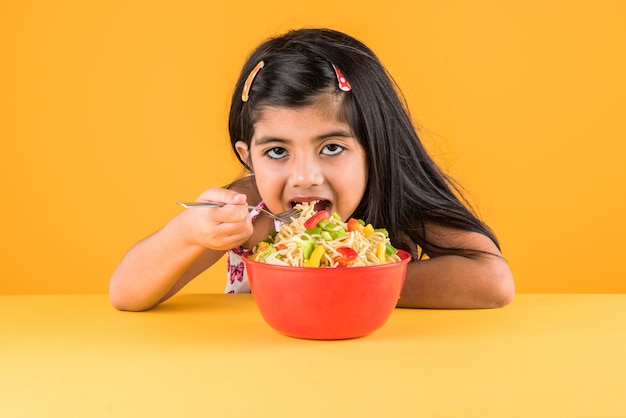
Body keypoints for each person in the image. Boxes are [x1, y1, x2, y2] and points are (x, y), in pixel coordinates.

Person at [109, 28, 515, 311]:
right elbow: (126, 294)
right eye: (277, 152)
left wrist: (353, 279)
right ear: (248, 156)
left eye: (332, 147)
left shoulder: (394, 197)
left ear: (374, 149)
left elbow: (492, 282)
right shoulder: (249, 212)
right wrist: (188, 233)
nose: (306, 176)